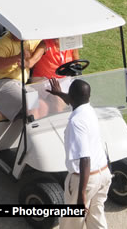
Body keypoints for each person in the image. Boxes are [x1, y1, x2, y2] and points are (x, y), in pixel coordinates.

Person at [48, 79, 112, 229]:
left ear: (72, 96)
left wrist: (81, 194)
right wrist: (59, 94)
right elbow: (75, 100)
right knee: (96, 217)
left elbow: (85, 158)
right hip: (104, 174)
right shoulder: (89, 109)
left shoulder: (76, 122)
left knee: (71, 224)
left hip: (86, 180)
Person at [0, 33, 45, 121]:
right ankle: (31, 132)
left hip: (20, 85)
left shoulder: (27, 41)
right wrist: (17, 58)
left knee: (43, 106)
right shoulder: (2, 43)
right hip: (0, 84)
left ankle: (35, 131)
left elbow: (43, 44)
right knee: (31, 104)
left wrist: (31, 62)